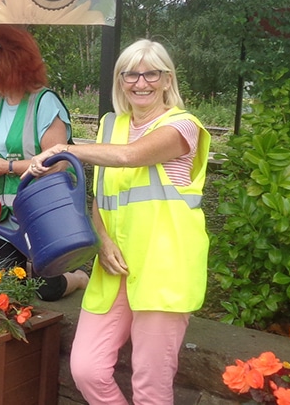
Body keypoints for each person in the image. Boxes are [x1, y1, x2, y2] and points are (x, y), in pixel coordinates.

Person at [28, 39, 210, 405]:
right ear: (120, 79)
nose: (140, 82)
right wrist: (103, 240)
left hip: (164, 269)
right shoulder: (111, 126)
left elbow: (131, 157)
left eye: (151, 73)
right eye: (130, 74)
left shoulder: (182, 126)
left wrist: (64, 149)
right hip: (114, 266)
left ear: (166, 79)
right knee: (86, 368)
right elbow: (103, 198)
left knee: (150, 385)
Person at [0, 25, 89, 301]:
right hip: (7, 214)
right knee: (4, 289)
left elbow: (58, 163)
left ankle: (79, 277)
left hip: (43, 212)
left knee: (46, 290)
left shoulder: (44, 103)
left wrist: (8, 167)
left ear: (5, 63)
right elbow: (0, 153)